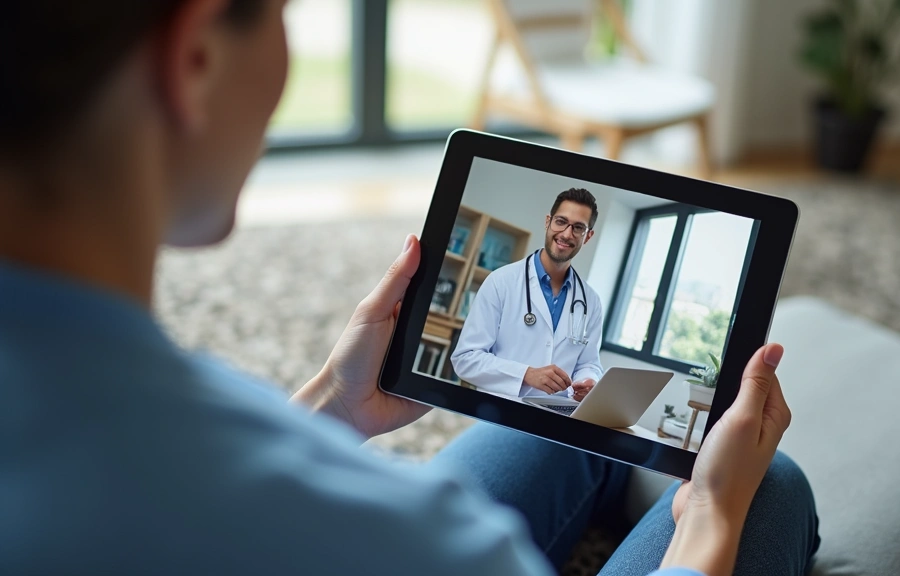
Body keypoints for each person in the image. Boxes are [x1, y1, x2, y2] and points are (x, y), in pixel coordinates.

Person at [0, 1, 820, 575]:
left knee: (560, 435)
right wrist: (711, 515)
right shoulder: (427, 545)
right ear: (198, 55)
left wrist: (331, 401)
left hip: (550, 411)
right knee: (768, 485)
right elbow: (471, 360)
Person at [452, 188, 604, 401]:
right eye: (561, 222)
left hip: (557, 416)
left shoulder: (591, 301)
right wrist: (526, 375)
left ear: (587, 236)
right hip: (500, 410)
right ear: (548, 222)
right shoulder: (500, 282)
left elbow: (589, 363)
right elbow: (465, 359)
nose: (567, 234)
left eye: (578, 227)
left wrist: (588, 381)